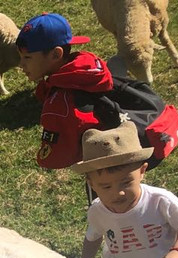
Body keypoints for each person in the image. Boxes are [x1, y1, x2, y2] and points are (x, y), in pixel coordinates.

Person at [75, 122, 178, 258]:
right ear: (91, 184)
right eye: (106, 186)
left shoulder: (159, 200)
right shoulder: (98, 211)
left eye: (126, 182)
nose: (119, 192)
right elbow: (93, 237)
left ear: (142, 171)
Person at [17, 13, 112, 170]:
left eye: (27, 57)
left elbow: (54, 159)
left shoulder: (59, 104)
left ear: (56, 54)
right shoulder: (89, 69)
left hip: (102, 172)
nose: (21, 64)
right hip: (122, 154)